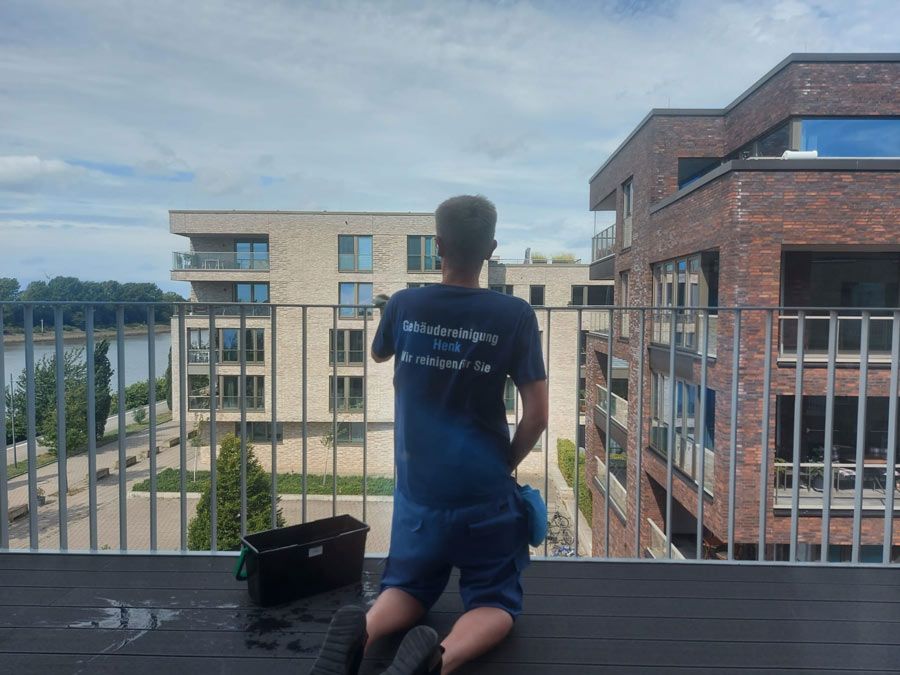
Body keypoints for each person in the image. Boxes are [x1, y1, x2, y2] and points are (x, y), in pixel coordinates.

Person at [311, 195, 548, 675]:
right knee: (495, 603)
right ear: (491, 249)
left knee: (407, 588)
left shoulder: (404, 304)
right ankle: (439, 659)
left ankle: (365, 631)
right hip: (483, 494)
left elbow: (379, 354)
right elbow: (537, 416)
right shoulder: (515, 315)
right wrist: (504, 466)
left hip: (420, 493)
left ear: (437, 245)